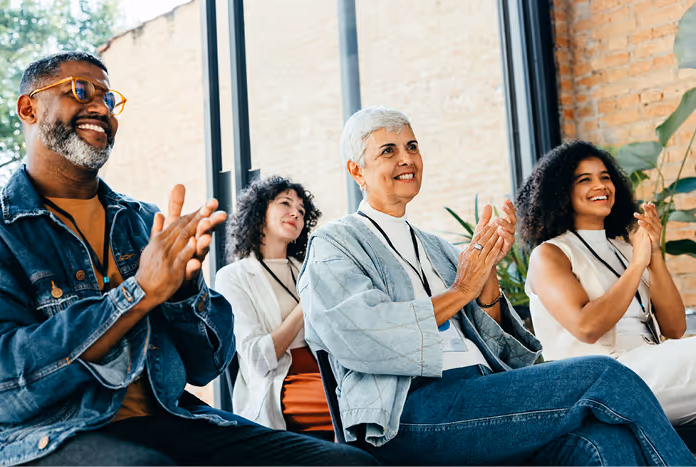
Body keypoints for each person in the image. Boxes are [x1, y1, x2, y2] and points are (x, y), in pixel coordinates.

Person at [0, 51, 378, 466]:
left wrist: (183, 292)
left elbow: (207, 365)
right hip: (35, 440)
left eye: (108, 98)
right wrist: (138, 294)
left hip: (172, 421)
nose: (101, 108)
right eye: (80, 91)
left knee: (350, 464)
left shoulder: (144, 222)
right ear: (28, 109)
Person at [298, 106, 695, 465]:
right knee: (605, 375)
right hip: (410, 410)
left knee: (604, 443)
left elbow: (491, 335)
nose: (406, 158)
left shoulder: (435, 246)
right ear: (356, 171)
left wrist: (487, 274)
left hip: (480, 394)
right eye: (388, 150)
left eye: (412, 146)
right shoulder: (334, 243)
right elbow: (360, 333)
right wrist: (460, 291)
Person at [517, 140, 695, 426]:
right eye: (584, 179)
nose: (600, 185)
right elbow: (586, 327)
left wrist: (655, 255)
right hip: (602, 380)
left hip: (650, 365)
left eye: (605, 177)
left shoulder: (624, 248)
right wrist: (638, 264)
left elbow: (674, 328)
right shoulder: (550, 254)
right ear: (561, 192)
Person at [214, 176, 332, 440]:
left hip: (327, 371)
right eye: (285, 203)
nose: (296, 213)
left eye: (302, 211)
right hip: (284, 383)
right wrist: (305, 306)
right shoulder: (233, 277)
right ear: (259, 212)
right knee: (357, 406)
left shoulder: (306, 270)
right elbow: (257, 359)